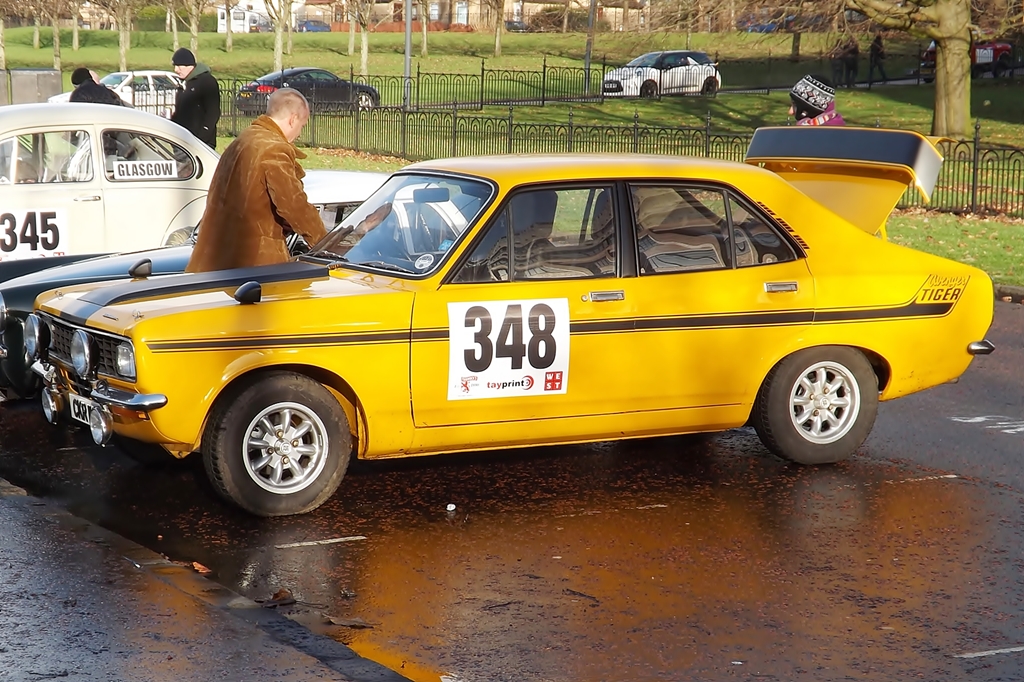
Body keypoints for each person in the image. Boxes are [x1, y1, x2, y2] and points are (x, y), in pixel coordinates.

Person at [186, 88, 327, 273]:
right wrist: (325, 245)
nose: (300, 133)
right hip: (255, 265)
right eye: (302, 125)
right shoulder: (274, 148)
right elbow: (294, 205)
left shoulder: (244, 139)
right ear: (293, 119)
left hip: (214, 258)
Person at [169, 48, 220, 149]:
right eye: (175, 66)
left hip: (200, 143)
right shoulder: (183, 84)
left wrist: (201, 138)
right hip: (182, 142)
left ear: (189, 65)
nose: (176, 70)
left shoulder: (207, 82)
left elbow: (213, 113)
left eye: (179, 66)